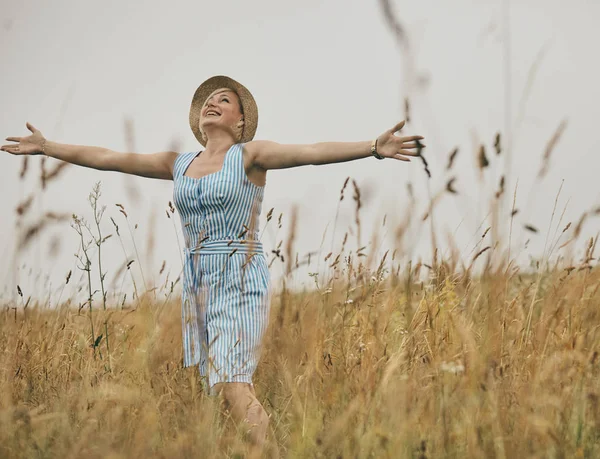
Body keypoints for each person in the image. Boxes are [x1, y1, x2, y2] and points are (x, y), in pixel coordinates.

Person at [1, 75, 425, 453]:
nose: (211, 102)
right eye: (207, 100)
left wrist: (373, 148)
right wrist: (47, 147)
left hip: (240, 275)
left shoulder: (250, 155)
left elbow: (312, 151)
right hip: (198, 282)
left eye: (224, 99)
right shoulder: (178, 164)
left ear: (240, 121)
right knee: (227, 386)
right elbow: (110, 157)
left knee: (229, 382)